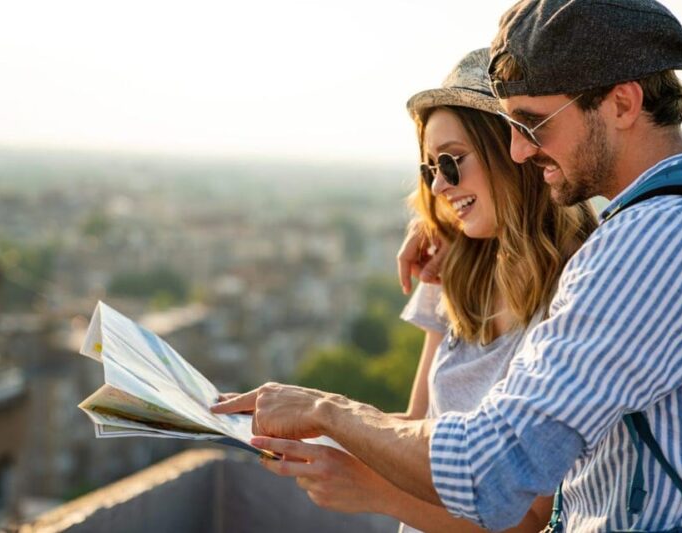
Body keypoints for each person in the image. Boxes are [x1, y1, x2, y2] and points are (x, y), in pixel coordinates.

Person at [212, 1, 682, 530]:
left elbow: (490, 473)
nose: (520, 151)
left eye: (532, 124)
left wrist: (328, 410)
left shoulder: (652, 244)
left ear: (622, 103)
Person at [216, 47, 596, 532]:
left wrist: (373, 490)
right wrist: (300, 427)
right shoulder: (455, 273)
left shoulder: (582, 289)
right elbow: (419, 424)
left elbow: (529, 518)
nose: (438, 187)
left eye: (451, 162)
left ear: (516, 149)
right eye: (429, 170)